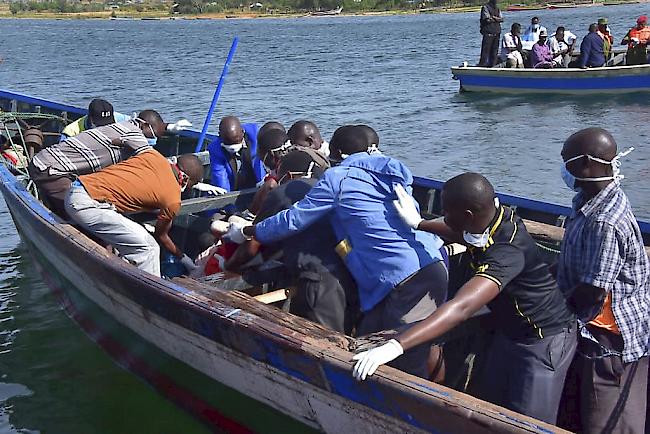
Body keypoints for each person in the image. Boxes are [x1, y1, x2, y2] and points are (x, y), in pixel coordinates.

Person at [224, 125, 447, 379]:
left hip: (404, 278)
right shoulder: (392, 172)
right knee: (369, 339)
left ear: (337, 153)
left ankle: (414, 411)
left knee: (406, 361)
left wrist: (248, 231)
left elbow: (293, 220)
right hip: (431, 260)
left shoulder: (338, 178)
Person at [353, 173, 577, 424]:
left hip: (543, 338)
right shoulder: (493, 218)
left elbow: (462, 306)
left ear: (469, 215)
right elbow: (465, 235)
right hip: (508, 330)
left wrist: (396, 346)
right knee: (490, 407)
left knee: (528, 422)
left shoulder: (507, 252)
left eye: (447, 213)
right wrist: (419, 224)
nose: (444, 218)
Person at [558, 127, 648, 433]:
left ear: (586, 165)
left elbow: (594, 291)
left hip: (608, 338)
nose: (563, 169)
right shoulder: (593, 198)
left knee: (607, 418)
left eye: (566, 161)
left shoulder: (605, 221)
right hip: (593, 328)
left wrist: (552, 309)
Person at [225, 148, 358, 333]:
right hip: (354, 274)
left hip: (319, 284)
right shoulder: (325, 189)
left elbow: (253, 244)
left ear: (287, 175)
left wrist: (229, 267)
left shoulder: (283, 192)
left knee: (322, 345)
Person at [64, 150, 203, 277]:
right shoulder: (173, 199)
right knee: (149, 248)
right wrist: (185, 260)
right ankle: (152, 291)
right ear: (184, 180)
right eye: (191, 185)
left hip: (77, 188)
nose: (188, 189)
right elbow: (161, 236)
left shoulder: (153, 155)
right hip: (86, 205)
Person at [28, 110, 167, 218]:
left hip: (55, 165)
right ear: (144, 125)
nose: (154, 139)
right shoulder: (134, 134)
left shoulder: (124, 125)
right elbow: (153, 159)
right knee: (84, 212)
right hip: (48, 170)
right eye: (154, 135)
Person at [60, 99, 190, 142]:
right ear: (91, 120)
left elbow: (145, 125)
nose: (106, 128)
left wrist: (168, 127)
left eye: (109, 124)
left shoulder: (119, 119)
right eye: (101, 125)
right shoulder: (71, 133)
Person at [207, 116, 265, 192]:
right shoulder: (215, 149)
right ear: (220, 135)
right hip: (234, 185)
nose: (234, 148)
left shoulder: (255, 134)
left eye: (237, 141)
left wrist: (262, 182)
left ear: (242, 132)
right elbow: (220, 177)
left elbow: (260, 161)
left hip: (256, 180)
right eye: (229, 144)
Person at [478, 0, 503, 67]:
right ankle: (482, 65)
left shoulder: (497, 8)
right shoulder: (485, 7)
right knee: (485, 51)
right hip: (488, 32)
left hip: (497, 32)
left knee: (495, 51)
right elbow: (487, 19)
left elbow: (502, 19)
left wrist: (494, 18)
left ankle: (493, 65)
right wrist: (496, 19)